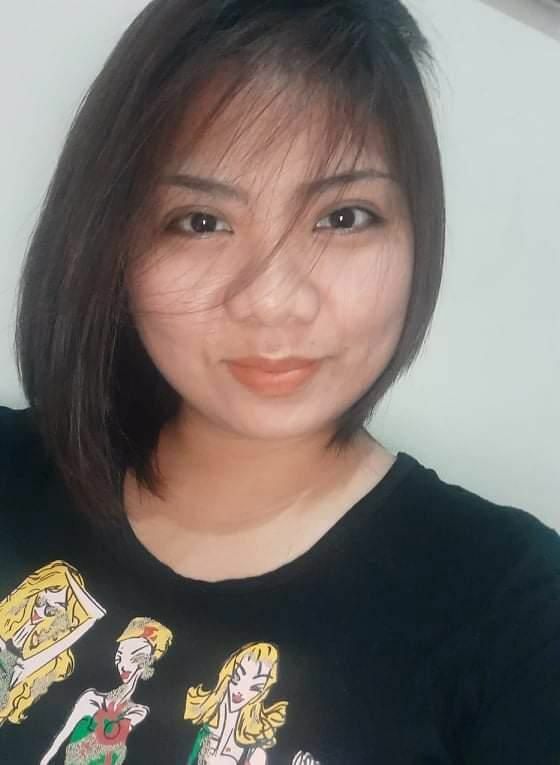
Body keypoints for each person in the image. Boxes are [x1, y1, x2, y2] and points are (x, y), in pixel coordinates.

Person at [0, 0, 559, 763]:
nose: (271, 300)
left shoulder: (514, 610)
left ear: (417, 233)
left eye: (343, 216)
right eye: (201, 221)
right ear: (112, 242)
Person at [39, 617, 172, 765]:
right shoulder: (91, 699)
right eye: (120, 656)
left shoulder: (138, 713)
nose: (124, 664)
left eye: (135, 657)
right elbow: (58, 742)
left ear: (147, 662)